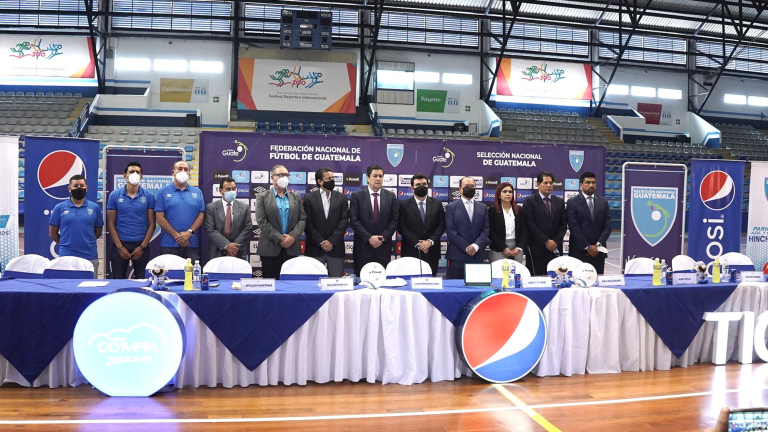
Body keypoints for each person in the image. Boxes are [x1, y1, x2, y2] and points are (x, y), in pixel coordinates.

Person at [255, 165, 306, 279]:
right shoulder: (262, 197)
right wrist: (280, 238)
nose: (284, 178)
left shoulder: (296, 197)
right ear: (272, 177)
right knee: (270, 285)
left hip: (291, 248)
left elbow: (302, 219)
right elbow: (262, 221)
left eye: (286, 175)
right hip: (269, 248)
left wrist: (292, 237)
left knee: (290, 285)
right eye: (280, 175)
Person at [106, 161, 156, 279]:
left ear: (141, 176)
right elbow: (111, 224)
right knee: (118, 281)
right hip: (120, 245)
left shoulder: (149, 196)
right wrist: (120, 247)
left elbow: (152, 223)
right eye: (131, 172)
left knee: (142, 281)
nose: (134, 174)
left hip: (141, 246)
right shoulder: (114, 195)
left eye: (137, 172)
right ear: (125, 176)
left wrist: (142, 247)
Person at [49, 175, 103, 276]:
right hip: (66, 256)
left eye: (82, 185)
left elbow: (98, 231)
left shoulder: (94, 208)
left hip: (90, 256)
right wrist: (66, 243)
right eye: (75, 186)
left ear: (86, 188)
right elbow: (53, 233)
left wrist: (87, 241)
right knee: (66, 287)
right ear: (69, 189)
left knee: (90, 288)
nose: (79, 188)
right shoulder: (59, 208)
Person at [349, 164, 399, 276]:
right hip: (363, 247)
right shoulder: (357, 196)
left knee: (382, 280)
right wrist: (369, 238)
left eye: (380, 176)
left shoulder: (391, 196)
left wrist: (382, 239)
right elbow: (354, 219)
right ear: (367, 178)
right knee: (361, 281)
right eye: (375, 176)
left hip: (383, 248)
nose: (378, 179)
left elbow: (394, 220)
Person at [154, 161, 205, 260]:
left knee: (191, 275)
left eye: (186, 169)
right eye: (180, 169)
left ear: (189, 174)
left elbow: (201, 215)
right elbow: (159, 217)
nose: (183, 171)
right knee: (169, 275)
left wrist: (189, 233)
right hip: (169, 244)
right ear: (173, 172)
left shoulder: (197, 192)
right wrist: (177, 236)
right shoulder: (163, 191)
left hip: (191, 243)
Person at [303, 167, 349, 277]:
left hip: (336, 249)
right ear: (319, 181)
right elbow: (307, 223)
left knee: (336, 283)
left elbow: (344, 221)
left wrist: (331, 241)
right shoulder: (309, 198)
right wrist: (321, 242)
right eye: (329, 178)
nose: (332, 180)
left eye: (333, 178)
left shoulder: (342, 198)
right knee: (313, 285)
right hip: (315, 249)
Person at [398, 174, 445, 276]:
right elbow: (402, 227)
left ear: (428, 186)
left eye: (424, 184)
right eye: (418, 184)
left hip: (431, 251)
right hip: (411, 251)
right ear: (412, 188)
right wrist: (418, 244)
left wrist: (429, 242)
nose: (421, 186)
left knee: (431, 284)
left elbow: (441, 225)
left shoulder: (437, 203)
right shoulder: (403, 205)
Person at [566, 172, 612, 274]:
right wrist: (587, 246)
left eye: (593, 182)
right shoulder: (572, 202)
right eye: (588, 182)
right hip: (579, 252)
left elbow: (607, 226)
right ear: (581, 185)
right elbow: (574, 227)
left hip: (598, 252)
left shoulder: (603, 202)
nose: (591, 185)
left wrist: (597, 245)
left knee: (598, 282)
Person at [523, 171, 567, 276]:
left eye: (551, 183)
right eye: (545, 183)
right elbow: (530, 224)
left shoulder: (559, 201)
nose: (548, 185)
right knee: (536, 281)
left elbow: (563, 224)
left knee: (555, 280)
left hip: (555, 249)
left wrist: (554, 241)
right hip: (536, 249)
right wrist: (546, 241)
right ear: (538, 184)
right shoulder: (529, 201)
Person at [444, 176, 489, 279]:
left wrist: (476, 246)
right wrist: (467, 247)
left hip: (477, 255)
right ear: (460, 189)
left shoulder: (483, 207)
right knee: (456, 289)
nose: (470, 188)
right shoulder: (451, 207)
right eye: (466, 186)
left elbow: (486, 229)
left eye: (472, 186)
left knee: (478, 289)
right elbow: (451, 231)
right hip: (457, 256)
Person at [204, 176, 252, 260]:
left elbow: (247, 229)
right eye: (228, 189)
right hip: (217, 251)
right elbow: (210, 229)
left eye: (234, 189)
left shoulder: (245, 207)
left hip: (238, 252)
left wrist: (234, 248)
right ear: (220, 191)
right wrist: (227, 246)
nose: (232, 191)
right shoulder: (211, 207)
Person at [488, 182, 527, 264]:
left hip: (516, 249)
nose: (508, 194)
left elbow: (524, 230)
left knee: (516, 273)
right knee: (498, 274)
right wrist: (504, 248)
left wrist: (519, 248)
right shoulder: (492, 210)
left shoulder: (519, 210)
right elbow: (491, 232)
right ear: (499, 195)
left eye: (510, 192)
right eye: (504, 191)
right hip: (498, 249)